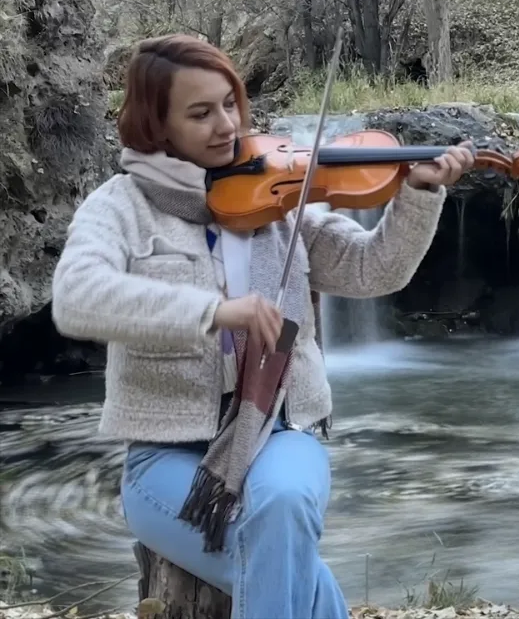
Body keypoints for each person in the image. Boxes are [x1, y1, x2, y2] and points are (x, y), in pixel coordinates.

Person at [50, 33, 475, 619]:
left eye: (231, 104)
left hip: (280, 433)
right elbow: (76, 298)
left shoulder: (280, 199)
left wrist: (421, 194)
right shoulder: (119, 206)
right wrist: (211, 313)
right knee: (287, 559)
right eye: (200, 113)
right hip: (165, 458)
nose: (226, 125)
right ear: (156, 125)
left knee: (282, 502)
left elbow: (374, 270)